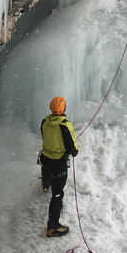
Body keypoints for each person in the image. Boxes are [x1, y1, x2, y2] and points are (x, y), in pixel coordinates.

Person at [39, 96, 79, 237]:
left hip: (46, 159)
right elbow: (72, 150)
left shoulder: (45, 121)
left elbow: (45, 136)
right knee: (57, 194)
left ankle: (45, 184)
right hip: (58, 163)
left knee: (47, 172)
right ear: (63, 109)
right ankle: (53, 226)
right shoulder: (65, 125)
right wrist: (73, 150)